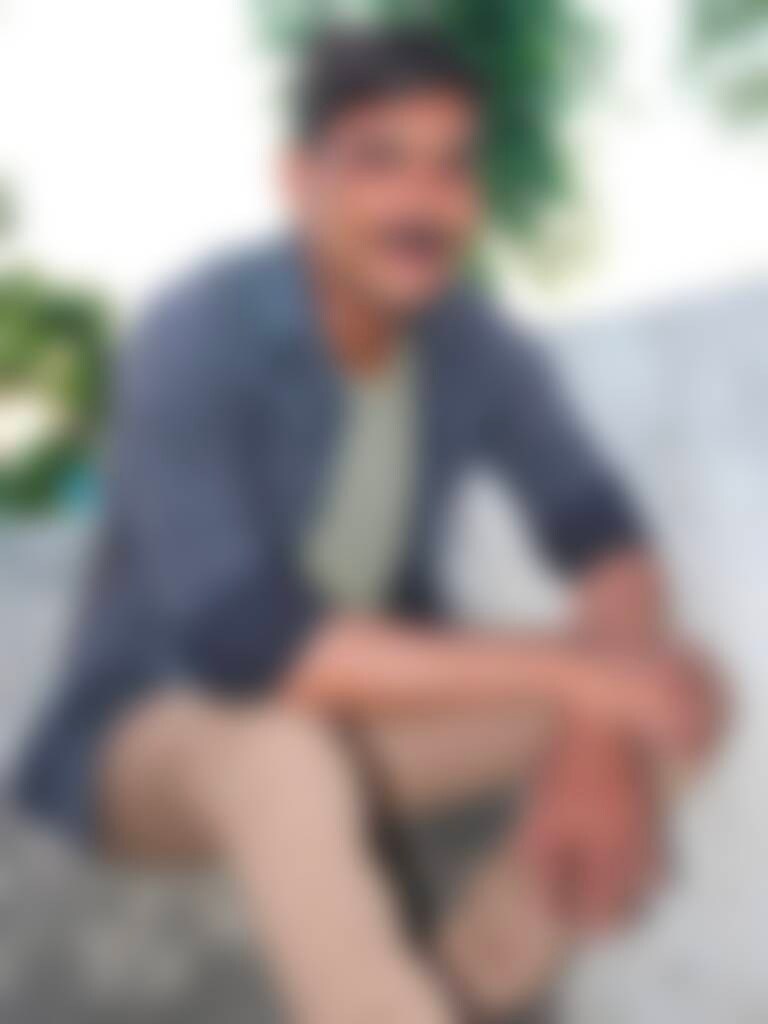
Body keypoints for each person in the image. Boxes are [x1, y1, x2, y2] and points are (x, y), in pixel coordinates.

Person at [16, 25, 721, 1023]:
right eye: (380, 160)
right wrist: (581, 678)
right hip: (158, 734)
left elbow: (606, 540)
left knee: (676, 693)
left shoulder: (474, 343)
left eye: (450, 164)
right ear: (300, 179)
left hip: (369, 719)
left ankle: (459, 993)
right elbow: (249, 644)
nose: (421, 202)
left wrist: (600, 721)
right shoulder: (198, 330)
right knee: (282, 752)